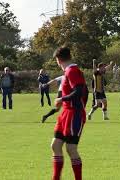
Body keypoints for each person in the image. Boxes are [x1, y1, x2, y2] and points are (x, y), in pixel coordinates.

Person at [51, 47, 88, 180]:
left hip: (74, 114)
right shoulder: (69, 71)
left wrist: (62, 99)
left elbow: (79, 91)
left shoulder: (72, 71)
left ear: (58, 60)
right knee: (55, 145)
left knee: (71, 148)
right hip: (65, 113)